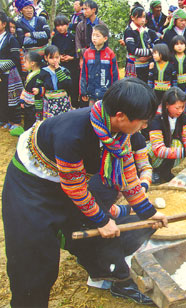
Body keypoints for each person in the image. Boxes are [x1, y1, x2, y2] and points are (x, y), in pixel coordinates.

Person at [2, 77, 168, 307]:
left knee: (92, 226)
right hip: (31, 185)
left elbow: (128, 171)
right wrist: (101, 218)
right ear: (120, 116)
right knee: (35, 259)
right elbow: (74, 186)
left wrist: (147, 212)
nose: (145, 127)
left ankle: (113, 276)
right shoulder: (72, 133)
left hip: (67, 180)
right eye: (143, 121)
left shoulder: (118, 133)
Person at [148, 87, 186, 183]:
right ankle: (154, 170)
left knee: (177, 144)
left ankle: (166, 172)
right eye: (177, 108)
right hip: (154, 148)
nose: (180, 111)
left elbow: (185, 137)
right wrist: (184, 152)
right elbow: (158, 149)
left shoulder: (182, 117)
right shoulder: (157, 118)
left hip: (168, 145)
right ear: (167, 105)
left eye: (182, 107)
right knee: (152, 150)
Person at [80, 24, 119, 107]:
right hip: (92, 92)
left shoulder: (110, 54)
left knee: (105, 114)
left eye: (97, 36)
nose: (94, 38)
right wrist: (83, 91)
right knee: (92, 113)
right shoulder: (87, 53)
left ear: (105, 38)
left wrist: (115, 91)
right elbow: (84, 73)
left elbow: (114, 74)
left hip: (106, 92)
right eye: (93, 35)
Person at [0, 11, 23, 134]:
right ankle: (4, 119)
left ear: (4, 24)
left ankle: (16, 121)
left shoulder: (11, 39)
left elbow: (15, 59)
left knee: (12, 98)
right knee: (1, 97)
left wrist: (1, 69)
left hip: (10, 74)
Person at [34, 45, 72, 120]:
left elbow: (67, 84)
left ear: (60, 57)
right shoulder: (43, 72)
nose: (54, 60)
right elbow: (38, 87)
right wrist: (38, 91)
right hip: (49, 102)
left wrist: (58, 70)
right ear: (46, 58)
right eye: (51, 58)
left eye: (57, 57)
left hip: (63, 101)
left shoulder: (65, 71)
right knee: (51, 122)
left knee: (63, 121)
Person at [124, 6, 158, 83]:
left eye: (144, 17)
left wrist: (149, 56)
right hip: (134, 65)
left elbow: (150, 45)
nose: (143, 20)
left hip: (145, 65)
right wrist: (151, 52)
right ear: (132, 17)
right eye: (139, 17)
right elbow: (133, 50)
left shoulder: (145, 31)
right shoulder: (129, 31)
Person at [52, 15, 79, 108]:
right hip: (60, 66)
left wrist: (71, 57)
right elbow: (53, 50)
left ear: (67, 25)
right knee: (62, 86)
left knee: (74, 87)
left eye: (63, 25)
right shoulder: (55, 38)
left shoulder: (73, 37)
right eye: (58, 26)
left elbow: (78, 51)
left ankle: (75, 106)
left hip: (73, 66)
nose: (60, 28)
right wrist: (59, 57)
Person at [19, 51, 42, 130]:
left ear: (32, 63)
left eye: (25, 62)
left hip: (34, 105)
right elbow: (25, 88)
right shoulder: (31, 73)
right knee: (27, 121)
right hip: (28, 103)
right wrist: (22, 99)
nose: (24, 64)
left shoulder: (39, 75)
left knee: (32, 123)